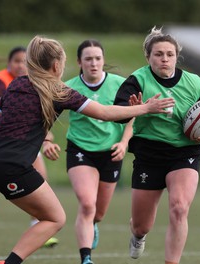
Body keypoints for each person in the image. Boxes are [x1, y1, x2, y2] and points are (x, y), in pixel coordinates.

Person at [0, 35, 174, 264]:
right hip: (12, 165)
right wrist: (146, 108)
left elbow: (0, 118)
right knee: (55, 218)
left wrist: (39, 136)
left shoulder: (16, 83)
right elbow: (103, 112)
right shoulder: (59, 90)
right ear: (56, 65)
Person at [114, 26, 200, 264]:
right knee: (142, 225)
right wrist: (142, 108)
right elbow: (118, 114)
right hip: (149, 155)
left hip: (185, 152)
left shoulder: (193, 82)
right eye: (158, 54)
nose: (164, 59)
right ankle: (137, 235)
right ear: (148, 56)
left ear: (176, 56)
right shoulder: (137, 80)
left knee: (180, 207)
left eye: (169, 54)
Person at [54, 39, 132, 264]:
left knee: (97, 213)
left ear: (103, 60)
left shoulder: (120, 84)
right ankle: (86, 258)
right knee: (87, 204)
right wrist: (47, 140)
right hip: (81, 151)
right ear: (79, 62)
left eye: (98, 58)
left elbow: (133, 116)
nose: (94, 63)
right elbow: (47, 118)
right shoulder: (67, 88)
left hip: (111, 152)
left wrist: (124, 142)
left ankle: (94, 224)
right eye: (88, 59)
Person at [0, 46, 59, 248]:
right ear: (9, 63)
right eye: (17, 61)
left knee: (40, 180)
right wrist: (11, 118)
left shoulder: (36, 84)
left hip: (24, 143)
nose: (21, 65)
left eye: (25, 61)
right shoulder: (2, 81)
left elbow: (39, 118)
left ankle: (38, 225)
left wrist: (45, 137)